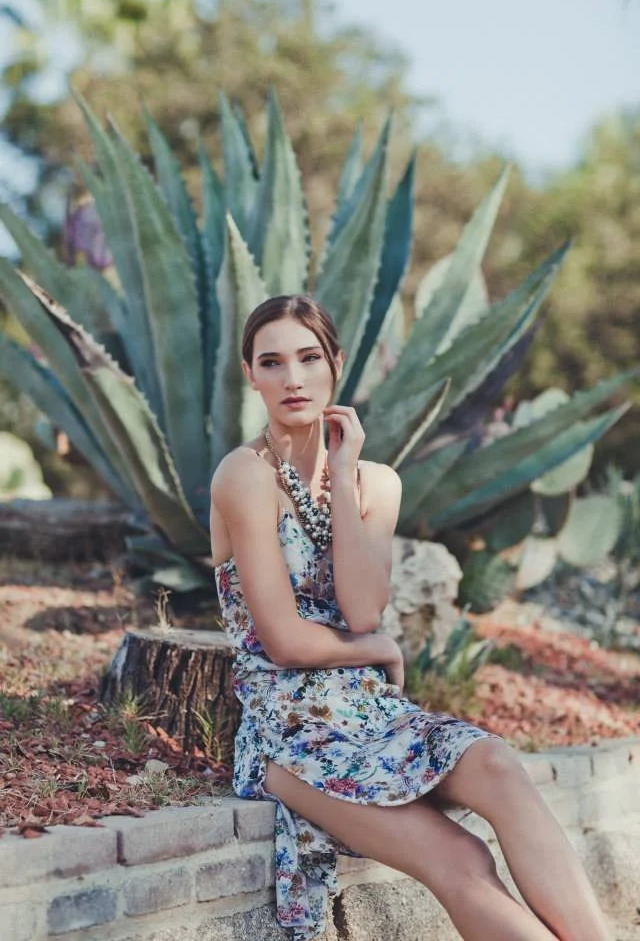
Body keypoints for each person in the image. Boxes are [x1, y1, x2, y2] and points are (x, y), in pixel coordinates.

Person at [210, 294, 611, 941]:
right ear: (250, 376)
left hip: (373, 714)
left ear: (336, 365)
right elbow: (283, 641)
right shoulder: (243, 476)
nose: (293, 378)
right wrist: (376, 649)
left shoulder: (377, 483)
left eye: (309, 358)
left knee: (500, 766)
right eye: (272, 362)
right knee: (460, 858)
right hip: (289, 732)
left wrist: (342, 474)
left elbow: (362, 607)